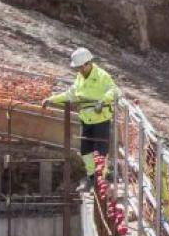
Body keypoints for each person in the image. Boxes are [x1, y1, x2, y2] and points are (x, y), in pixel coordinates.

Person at [45, 47, 118, 176]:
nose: (79, 70)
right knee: (85, 150)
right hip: (86, 119)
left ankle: (102, 178)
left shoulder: (102, 76)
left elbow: (115, 91)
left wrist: (102, 101)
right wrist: (51, 100)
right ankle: (92, 176)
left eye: (80, 67)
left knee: (101, 150)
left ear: (88, 63)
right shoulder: (80, 77)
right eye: (77, 68)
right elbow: (70, 94)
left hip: (101, 119)